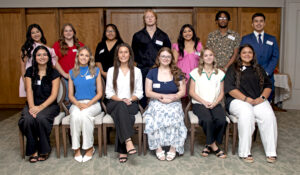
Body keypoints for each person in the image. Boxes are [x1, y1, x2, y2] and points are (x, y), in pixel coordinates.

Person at [224, 44, 277, 163]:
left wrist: (262, 98)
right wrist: (246, 99)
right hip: (237, 101)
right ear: (240, 55)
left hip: (257, 100)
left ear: (253, 55)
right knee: (247, 113)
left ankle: (271, 151)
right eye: (244, 52)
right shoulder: (233, 68)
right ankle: (244, 152)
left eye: (249, 52)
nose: (247, 55)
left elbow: (268, 86)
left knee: (269, 115)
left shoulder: (259, 68)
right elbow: (229, 88)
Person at [143, 47, 187, 161]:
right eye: (163, 56)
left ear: (171, 58)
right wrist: (161, 97)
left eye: (168, 56)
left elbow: (182, 91)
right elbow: (148, 92)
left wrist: (173, 98)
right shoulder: (152, 72)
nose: (165, 58)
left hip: (174, 101)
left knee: (175, 114)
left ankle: (173, 147)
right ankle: (158, 147)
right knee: (155, 115)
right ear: (158, 58)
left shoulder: (177, 72)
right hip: (156, 101)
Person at [18, 45, 60, 163]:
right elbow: (29, 91)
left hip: (49, 106)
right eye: (39, 55)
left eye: (45, 55)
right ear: (35, 57)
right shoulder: (29, 71)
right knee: (27, 119)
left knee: (41, 118)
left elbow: (54, 95)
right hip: (32, 104)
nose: (42, 57)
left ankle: (44, 149)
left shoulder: (54, 72)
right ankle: (33, 150)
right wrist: (32, 108)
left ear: (48, 57)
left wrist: (40, 108)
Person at [105, 43, 143, 163]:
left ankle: (123, 149)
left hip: (131, 104)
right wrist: (121, 100)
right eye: (120, 52)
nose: (123, 55)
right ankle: (128, 141)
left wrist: (130, 99)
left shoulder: (137, 71)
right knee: (123, 111)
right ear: (117, 55)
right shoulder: (111, 71)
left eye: (126, 52)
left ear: (130, 54)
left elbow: (140, 92)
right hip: (114, 103)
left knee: (122, 115)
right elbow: (108, 92)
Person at [189, 47, 227, 159]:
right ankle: (214, 146)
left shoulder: (220, 73)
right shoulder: (195, 72)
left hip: (215, 103)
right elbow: (191, 91)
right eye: (206, 55)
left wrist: (215, 103)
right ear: (202, 58)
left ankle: (208, 144)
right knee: (207, 120)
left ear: (214, 57)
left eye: (211, 55)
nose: (209, 57)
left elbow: (222, 93)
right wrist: (203, 102)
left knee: (221, 120)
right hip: (199, 103)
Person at [68, 46, 102, 163]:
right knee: (75, 116)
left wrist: (88, 104)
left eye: (86, 55)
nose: (84, 57)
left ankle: (89, 147)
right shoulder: (72, 72)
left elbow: (100, 93)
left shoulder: (95, 70)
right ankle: (76, 148)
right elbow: (71, 95)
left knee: (85, 115)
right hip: (77, 103)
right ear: (77, 57)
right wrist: (78, 104)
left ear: (90, 58)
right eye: (81, 55)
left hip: (93, 104)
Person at [132, 9, 171, 108]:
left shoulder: (163, 36)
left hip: (159, 69)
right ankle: (144, 115)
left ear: (156, 19)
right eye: (147, 17)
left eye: (151, 16)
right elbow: (133, 55)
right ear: (144, 20)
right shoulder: (137, 36)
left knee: (159, 91)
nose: (149, 19)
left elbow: (168, 53)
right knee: (144, 94)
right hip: (143, 69)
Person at [240, 13, 279, 100]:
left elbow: (275, 56)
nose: (258, 23)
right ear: (252, 24)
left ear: (264, 23)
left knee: (266, 98)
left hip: (267, 74)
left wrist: (267, 71)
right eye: (256, 21)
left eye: (261, 21)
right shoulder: (245, 39)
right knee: (250, 98)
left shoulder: (272, 39)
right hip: (250, 74)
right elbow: (242, 55)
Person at [19, 24, 57, 97]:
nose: (36, 34)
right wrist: (25, 82)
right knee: (30, 100)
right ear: (30, 35)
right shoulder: (27, 47)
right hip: (29, 77)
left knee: (43, 98)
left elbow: (52, 65)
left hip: (43, 77)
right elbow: (22, 66)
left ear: (41, 33)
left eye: (37, 32)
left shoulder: (48, 48)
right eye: (33, 33)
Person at [52, 23, 84, 104]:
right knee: (68, 100)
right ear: (63, 33)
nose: (68, 33)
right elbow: (54, 61)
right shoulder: (57, 45)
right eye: (66, 31)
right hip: (64, 77)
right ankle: (68, 113)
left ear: (74, 32)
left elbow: (85, 60)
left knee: (80, 98)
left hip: (79, 76)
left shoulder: (80, 45)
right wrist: (65, 74)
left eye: (70, 30)